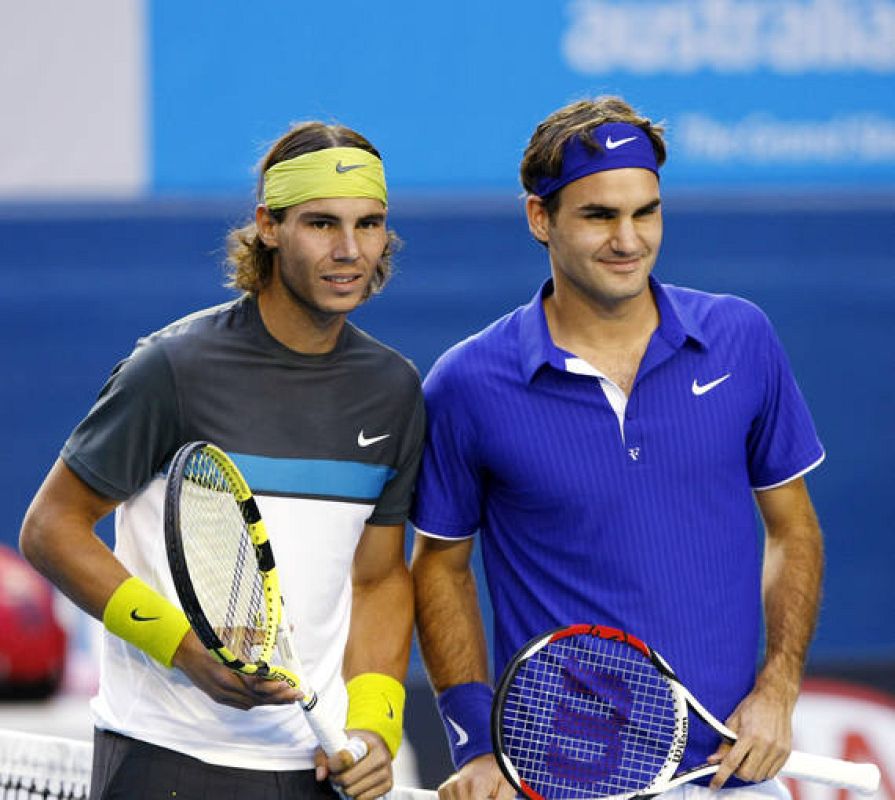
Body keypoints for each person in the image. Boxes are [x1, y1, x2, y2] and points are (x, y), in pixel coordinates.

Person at [410, 95, 824, 800]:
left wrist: (779, 685)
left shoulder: (740, 337)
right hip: (563, 777)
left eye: (645, 211)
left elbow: (792, 528)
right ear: (539, 218)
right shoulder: (467, 382)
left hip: (732, 775)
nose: (628, 239)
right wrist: (475, 739)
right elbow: (440, 567)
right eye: (599, 215)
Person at [20, 121, 425, 800]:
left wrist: (376, 727)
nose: (350, 250)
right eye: (321, 224)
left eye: (370, 224)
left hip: (316, 773)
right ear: (268, 226)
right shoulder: (172, 367)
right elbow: (51, 528)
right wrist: (182, 648)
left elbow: (379, 580)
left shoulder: (393, 391)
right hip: (164, 759)